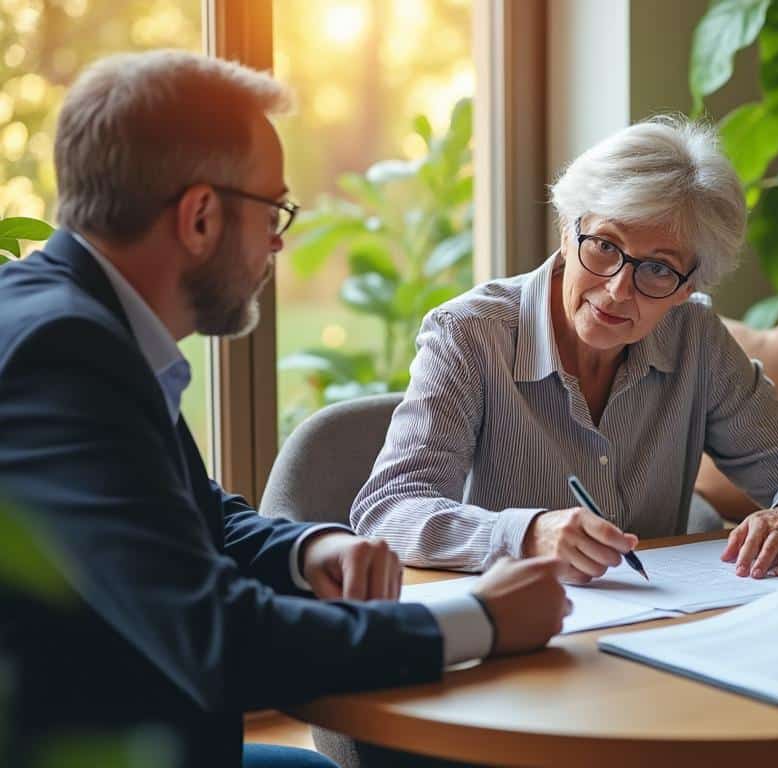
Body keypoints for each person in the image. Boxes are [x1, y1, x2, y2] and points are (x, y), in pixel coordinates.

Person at [0, 51, 568, 768]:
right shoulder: (65, 352)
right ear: (200, 216)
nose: (278, 241)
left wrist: (305, 550)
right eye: (273, 210)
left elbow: (182, 508)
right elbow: (220, 640)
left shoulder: (71, 319)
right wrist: (479, 621)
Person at [351, 116, 778, 585]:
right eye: (604, 246)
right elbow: (389, 511)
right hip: (516, 636)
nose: (619, 289)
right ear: (566, 229)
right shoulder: (469, 334)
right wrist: (527, 534)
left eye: (658, 268)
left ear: (688, 285)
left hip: (659, 627)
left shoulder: (696, 338)